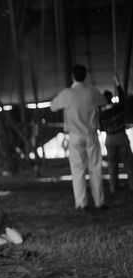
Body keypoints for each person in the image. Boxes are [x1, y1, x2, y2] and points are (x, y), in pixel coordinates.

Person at [50, 64, 106, 210]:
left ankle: (81, 203)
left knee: (78, 170)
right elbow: (104, 101)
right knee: (95, 167)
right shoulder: (92, 92)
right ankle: (99, 201)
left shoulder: (67, 93)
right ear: (86, 75)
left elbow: (53, 106)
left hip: (75, 135)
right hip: (91, 134)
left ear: (72, 76)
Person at [98, 75, 133, 193]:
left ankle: (114, 188)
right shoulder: (118, 108)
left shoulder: (101, 115)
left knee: (112, 165)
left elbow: (101, 128)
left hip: (109, 139)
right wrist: (118, 84)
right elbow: (123, 99)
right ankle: (132, 185)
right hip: (121, 136)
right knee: (128, 162)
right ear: (112, 98)